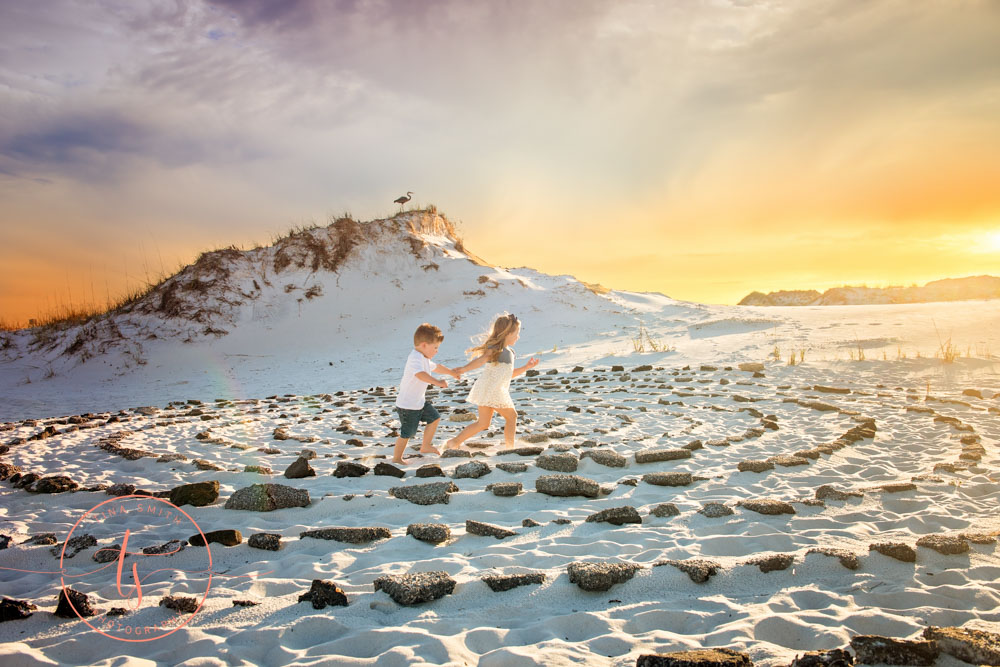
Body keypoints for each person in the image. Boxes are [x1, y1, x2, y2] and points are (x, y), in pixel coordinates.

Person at [445, 313, 538, 450]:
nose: (518, 337)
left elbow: (508, 375)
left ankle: (454, 442)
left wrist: (526, 367)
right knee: (512, 416)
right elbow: (481, 360)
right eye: (516, 333)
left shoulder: (510, 352)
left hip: (490, 389)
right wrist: (464, 369)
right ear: (507, 333)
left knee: (483, 423)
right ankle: (509, 448)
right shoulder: (496, 349)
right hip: (493, 389)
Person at [392, 323, 460, 464]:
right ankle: (397, 458)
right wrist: (437, 382)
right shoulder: (414, 358)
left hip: (419, 403)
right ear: (424, 345)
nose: (436, 351)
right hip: (408, 405)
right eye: (435, 347)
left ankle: (425, 445)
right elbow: (420, 375)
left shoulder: (423, 358)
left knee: (434, 418)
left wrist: (451, 372)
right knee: (408, 433)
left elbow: (437, 367)